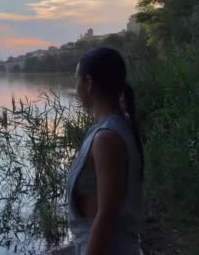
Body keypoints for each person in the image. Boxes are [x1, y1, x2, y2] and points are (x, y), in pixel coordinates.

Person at [66, 47, 144, 255]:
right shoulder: (115, 125)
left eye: (78, 80)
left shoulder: (106, 138)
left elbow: (108, 215)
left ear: (89, 83)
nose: (76, 87)